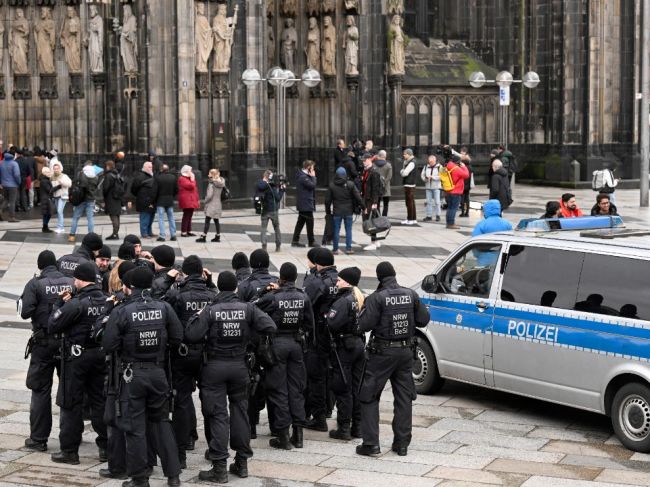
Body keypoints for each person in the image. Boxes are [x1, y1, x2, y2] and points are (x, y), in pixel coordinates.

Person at [185, 271, 276, 484]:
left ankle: (219, 468)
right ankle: (242, 463)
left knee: (217, 415)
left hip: (214, 366)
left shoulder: (211, 310)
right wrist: (249, 337)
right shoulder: (248, 308)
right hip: (239, 366)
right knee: (241, 413)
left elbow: (191, 335)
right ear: (236, 288)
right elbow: (270, 326)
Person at [102, 267, 183, 487]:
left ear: (129, 287)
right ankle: (173, 476)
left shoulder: (122, 311)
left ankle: (140, 479)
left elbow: (108, 344)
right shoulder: (164, 307)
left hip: (132, 374)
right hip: (158, 373)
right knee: (162, 423)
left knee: (135, 427)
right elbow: (177, 338)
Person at [356, 262, 429, 457]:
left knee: (369, 396)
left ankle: (371, 444)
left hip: (381, 354)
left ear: (379, 278)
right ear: (394, 275)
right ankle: (402, 443)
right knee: (404, 397)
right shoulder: (411, 294)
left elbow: (363, 325)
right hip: (406, 352)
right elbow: (423, 319)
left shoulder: (376, 298)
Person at [47, 262, 108, 465]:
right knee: (100, 401)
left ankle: (70, 451)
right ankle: (106, 448)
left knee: (71, 402)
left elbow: (53, 324)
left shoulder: (76, 303)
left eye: (75, 279)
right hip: (100, 356)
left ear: (81, 280)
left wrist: (58, 304)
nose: (73, 282)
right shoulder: (107, 300)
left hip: (77, 357)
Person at [164, 255, 217, 469]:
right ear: (202, 272)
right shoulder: (212, 294)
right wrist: (211, 282)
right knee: (211, 401)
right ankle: (214, 448)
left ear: (184, 273)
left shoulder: (177, 294)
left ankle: (181, 451)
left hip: (183, 353)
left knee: (182, 402)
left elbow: (160, 305)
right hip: (208, 354)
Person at [19, 250, 74, 452]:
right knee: (68, 390)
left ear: (40, 265)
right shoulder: (71, 281)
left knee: (41, 390)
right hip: (67, 344)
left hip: (43, 344)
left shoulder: (36, 283)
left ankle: (39, 438)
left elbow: (25, 312)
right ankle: (69, 442)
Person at [255, 263, 315, 449]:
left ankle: (282, 436)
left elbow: (252, 307)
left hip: (277, 344)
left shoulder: (273, 297)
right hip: (296, 345)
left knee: (278, 389)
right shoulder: (303, 296)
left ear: (280, 278)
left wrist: (263, 291)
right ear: (295, 278)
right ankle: (298, 434)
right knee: (296, 389)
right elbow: (309, 324)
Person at [326, 266, 365, 440]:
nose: (337, 281)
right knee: (356, 387)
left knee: (343, 387)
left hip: (345, 347)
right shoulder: (358, 296)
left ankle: (343, 428)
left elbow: (332, 323)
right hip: (357, 345)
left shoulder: (343, 300)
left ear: (347, 282)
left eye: (340, 279)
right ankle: (358, 427)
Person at [303, 248, 338, 431]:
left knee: (315, 377)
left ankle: (318, 417)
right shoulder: (341, 279)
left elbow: (305, 304)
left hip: (319, 336)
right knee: (331, 373)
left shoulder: (317, 282)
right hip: (338, 336)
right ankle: (328, 410)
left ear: (318, 264)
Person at [326, 166, 364, 255]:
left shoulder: (332, 185)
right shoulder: (350, 184)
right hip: (348, 211)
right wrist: (363, 207)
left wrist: (328, 211)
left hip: (337, 211)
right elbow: (358, 197)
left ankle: (335, 249)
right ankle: (348, 248)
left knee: (336, 230)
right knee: (348, 230)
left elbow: (327, 201)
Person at [68, 161, 99, 242]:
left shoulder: (80, 174)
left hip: (81, 199)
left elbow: (75, 184)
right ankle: (91, 236)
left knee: (75, 218)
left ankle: (72, 235)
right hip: (91, 199)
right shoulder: (95, 177)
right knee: (90, 218)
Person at [291, 160, 318, 248]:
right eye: (312, 167)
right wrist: (313, 177)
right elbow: (312, 186)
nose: (314, 169)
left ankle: (295, 240)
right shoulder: (303, 177)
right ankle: (311, 241)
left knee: (301, 222)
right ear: (308, 167)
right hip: (305, 204)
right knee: (310, 223)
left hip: (305, 203)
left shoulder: (304, 176)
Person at [257, 170, 285, 252]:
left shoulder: (260, 184)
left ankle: (264, 245)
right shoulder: (271, 186)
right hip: (273, 210)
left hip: (264, 210)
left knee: (263, 228)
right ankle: (278, 246)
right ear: (269, 177)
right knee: (276, 228)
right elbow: (278, 198)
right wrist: (282, 190)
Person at [443, 149, 469, 229]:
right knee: (453, 208)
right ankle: (451, 224)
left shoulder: (448, 166)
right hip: (456, 191)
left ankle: (448, 222)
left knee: (450, 207)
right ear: (457, 162)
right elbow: (466, 175)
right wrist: (464, 167)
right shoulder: (456, 169)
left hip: (449, 190)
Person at [196, 168, 225, 243]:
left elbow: (209, 195)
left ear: (212, 175)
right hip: (218, 203)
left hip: (211, 204)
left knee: (207, 220)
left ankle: (203, 236)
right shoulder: (221, 182)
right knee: (216, 220)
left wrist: (205, 201)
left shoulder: (211, 183)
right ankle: (218, 236)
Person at [360, 155, 382, 251]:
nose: (363, 162)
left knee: (371, 221)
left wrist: (375, 202)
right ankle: (375, 240)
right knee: (370, 219)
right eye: (363, 161)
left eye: (365, 160)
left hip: (371, 200)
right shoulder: (367, 170)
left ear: (369, 160)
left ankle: (373, 242)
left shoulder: (374, 171)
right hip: (367, 198)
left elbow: (375, 188)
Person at [130, 161, 157, 239]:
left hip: (152, 200)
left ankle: (149, 232)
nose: (151, 168)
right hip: (144, 201)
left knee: (151, 217)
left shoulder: (152, 176)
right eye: (149, 167)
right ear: (144, 167)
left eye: (151, 167)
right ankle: (144, 233)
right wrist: (140, 196)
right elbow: (133, 189)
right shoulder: (140, 177)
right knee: (145, 218)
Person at [154, 164, 178, 242]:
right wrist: (172, 196)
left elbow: (155, 191)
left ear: (161, 170)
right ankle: (173, 235)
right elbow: (176, 190)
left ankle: (162, 235)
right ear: (168, 169)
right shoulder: (173, 178)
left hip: (160, 200)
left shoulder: (158, 178)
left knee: (161, 218)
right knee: (171, 218)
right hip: (170, 200)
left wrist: (154, 200)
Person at [102, 160, 124, 240]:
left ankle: (115, 234)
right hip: (117, 198)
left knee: (113, 216)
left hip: (111, 198)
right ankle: (116, 233)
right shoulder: (117, 174)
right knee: (117, 216)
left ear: (108, 166)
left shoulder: (109, 176)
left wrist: (104, 197)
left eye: (106, 166)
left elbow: (105, 188)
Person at [49, 161, 72, 233]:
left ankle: (61, 227)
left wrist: (62, 182)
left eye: (57, 168)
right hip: (56, 196)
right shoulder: (52, 177)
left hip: (62, 196)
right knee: (59, 212)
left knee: (59, 211)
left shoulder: (64, 176)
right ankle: (60, 226)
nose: (56, 170)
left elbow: (69, 184)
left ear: (60, 169)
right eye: (54, 169)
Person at [178, 165, 199, 237]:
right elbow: (191, 186)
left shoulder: (189, 178)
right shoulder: (182, 178)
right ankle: (183, 232)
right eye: (190, 170)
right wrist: (193, 179)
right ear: (186, 171)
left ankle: (188, 230)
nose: (191, 172)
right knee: (186, 215)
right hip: (187, 200)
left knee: (190, 215)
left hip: (191, 199)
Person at [0, 152, 21, 222]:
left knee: (6, 199)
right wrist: (19, 182)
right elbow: (17, 175)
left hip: (4, 185)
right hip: (13, 185)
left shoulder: (1, 163)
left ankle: (0, 209)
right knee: (12, 201)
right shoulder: (14, 163)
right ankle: (11, 217)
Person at [399, 148, 418, 225]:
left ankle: (410, 219)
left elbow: (404, 173)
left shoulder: (411, 163)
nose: (403, 155)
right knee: (411, 202)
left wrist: (401, 171)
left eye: (405, 154)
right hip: (410, 184)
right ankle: (412, 219)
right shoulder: (408, 162)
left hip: (409, 184)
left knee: (409, 202)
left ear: (409, 154)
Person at [421, 155, 442, 222]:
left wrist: (433, 177)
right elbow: (422, 175)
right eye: (429, 162)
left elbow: (443, 176)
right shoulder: (425, 167)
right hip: (428, 187)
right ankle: (429, 216)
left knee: (437, 202)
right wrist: (425, 179)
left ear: (435, 161)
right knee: (428, 202)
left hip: (436, 187)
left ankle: (438, 215)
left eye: (432, 162)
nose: (430, 163)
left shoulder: (440, 167)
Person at [374, 150, 392, 217]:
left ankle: (378, 218)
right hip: (386, 188)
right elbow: (389, 176)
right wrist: (384, 183)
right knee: (386, 205)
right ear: (385, 156)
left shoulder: (374, 165)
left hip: (376, 187)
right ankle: (384, 218)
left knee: (377, 204)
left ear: (379, 156)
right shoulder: (388, 165)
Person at [459, 147, 473, 217]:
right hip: (468, 185)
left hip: (462, 184)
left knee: (462, 198)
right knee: (467, 199)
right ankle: (467, 212)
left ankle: (462, 212)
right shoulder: (470, 166)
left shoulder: (461, 167)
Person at [39, 166, 53, 232]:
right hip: (46, 199)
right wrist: (58, 186)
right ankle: (45, 227)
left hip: (45, 198)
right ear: (44, 173)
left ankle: (45, 227)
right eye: (47, 172)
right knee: (48, 214)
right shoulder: (44, 181)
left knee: (47, 213)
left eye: (49, 171)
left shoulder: (45, 180)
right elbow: (49, 190)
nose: (49, 173)